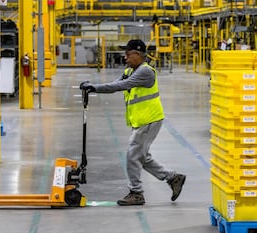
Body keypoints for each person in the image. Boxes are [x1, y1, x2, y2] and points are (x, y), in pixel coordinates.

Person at [79, 39, 186, 206]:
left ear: (137, 54)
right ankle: (173, 178)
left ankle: (136, 192)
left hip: (150, 119)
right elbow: (116, 83)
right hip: (141, 120)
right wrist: (93, 86)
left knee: (132, 156)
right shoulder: (130, 70)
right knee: (142, 157)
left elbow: (123, 85)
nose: (125, 57)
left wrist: (95, 88)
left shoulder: (145, 72)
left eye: (128, 54)